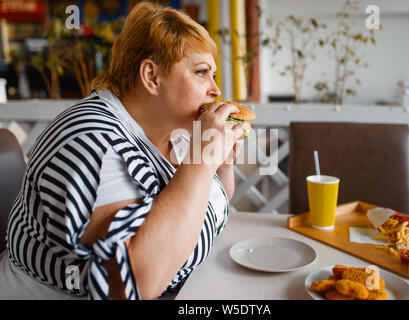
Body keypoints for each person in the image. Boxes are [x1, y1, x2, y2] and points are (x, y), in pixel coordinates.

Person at [0, 2, 244, 300]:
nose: (216, 90)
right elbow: (134, 281)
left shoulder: (177, 136)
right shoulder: (92, 141)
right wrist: (202, 161)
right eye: (202, 72)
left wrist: (222, 163)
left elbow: (213, 201)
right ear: (152, 77)